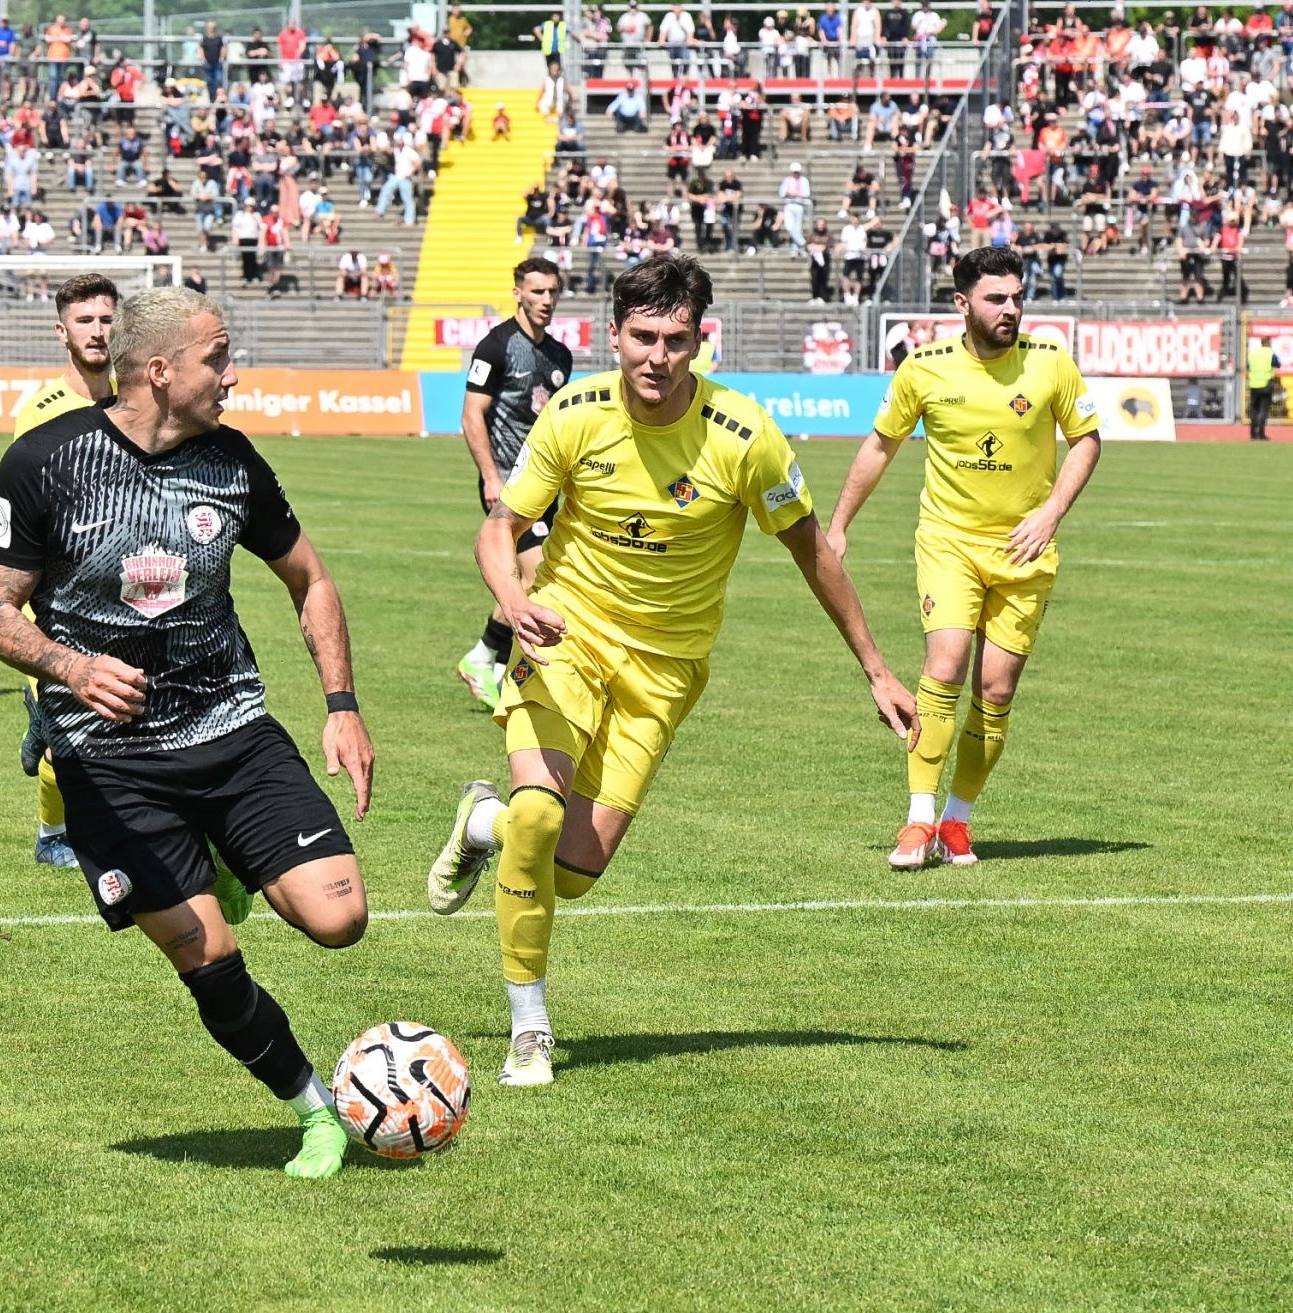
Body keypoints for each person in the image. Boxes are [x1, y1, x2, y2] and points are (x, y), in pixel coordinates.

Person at [426, 253, 915, 1086]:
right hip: (565, 637)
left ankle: (482, 824)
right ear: (614, 334)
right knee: (539, 817)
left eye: (675, 340)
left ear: (699, 341)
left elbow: (812, 551)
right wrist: (511, 598)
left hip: (665, 671)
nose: (657, 356)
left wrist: (876, 668)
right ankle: (530, 1029)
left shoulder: (744, 435)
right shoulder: (574, 413)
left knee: (572, 872)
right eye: (643, 337)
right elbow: (500, 525)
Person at [0, 287, 374, 1178]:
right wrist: (73, 668)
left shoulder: (232, 462)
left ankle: (222, 852)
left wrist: (342, 704)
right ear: (159, 370)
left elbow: (310, 579)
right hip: (107, 755)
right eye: (217, 358)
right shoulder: (45, 460)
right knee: (206, 951)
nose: (233, 375)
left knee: (340, 917)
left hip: (229, 724)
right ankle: (315, 1110)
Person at [826, 245, 1102, 869]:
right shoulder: (924, 369)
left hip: (1025, 550)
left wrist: (1050, 513)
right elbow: (879, 447)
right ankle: (918, 819)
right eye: (995, 298)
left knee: (996, 688)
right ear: (961, 304)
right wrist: (838, 526)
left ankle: (957, 819)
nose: (1011, 309)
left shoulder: (1051, 362)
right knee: (945, 665)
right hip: (948, 542)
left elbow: (1086, 441)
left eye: (1017, 297)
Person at [7, 274, 122, 868]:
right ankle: (53, 834)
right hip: (60, 593)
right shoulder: (41, 414)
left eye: (106, 319)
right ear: (62, 332)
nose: (97, 331)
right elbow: (32, 510)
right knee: (71, 729)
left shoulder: (136, 398)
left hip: (128, 587)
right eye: (85, 321)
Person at [456, 258, 574, 710]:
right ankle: (490, 659)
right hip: (508, 483)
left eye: (552, 291)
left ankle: (493, 661)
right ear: (518, 293)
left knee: (532, 576)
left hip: (546, 484)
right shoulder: (495, 346)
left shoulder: (560, 355)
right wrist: (491, 477)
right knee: (536, 571)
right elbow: (472, 415)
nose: (546, 300)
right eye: (537, 291)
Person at [1247, 335, 1280, 440]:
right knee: (1263, 410)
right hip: (1265, 384)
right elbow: (1277, 364)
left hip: (1253, 385)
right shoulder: (1270, 353)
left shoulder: (1253, 354)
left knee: (1254, 409)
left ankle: (1253, 433)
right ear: (1268, 343)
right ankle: (1261, 434)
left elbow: (1248, 366)